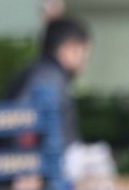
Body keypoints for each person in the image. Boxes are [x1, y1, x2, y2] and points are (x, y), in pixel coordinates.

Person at [6, 16, 92, 147]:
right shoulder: (49, 78)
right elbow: (20, 128)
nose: (84, 63)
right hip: (45, 158)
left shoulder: (40, 71)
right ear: (71, 48)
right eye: (83, 52)